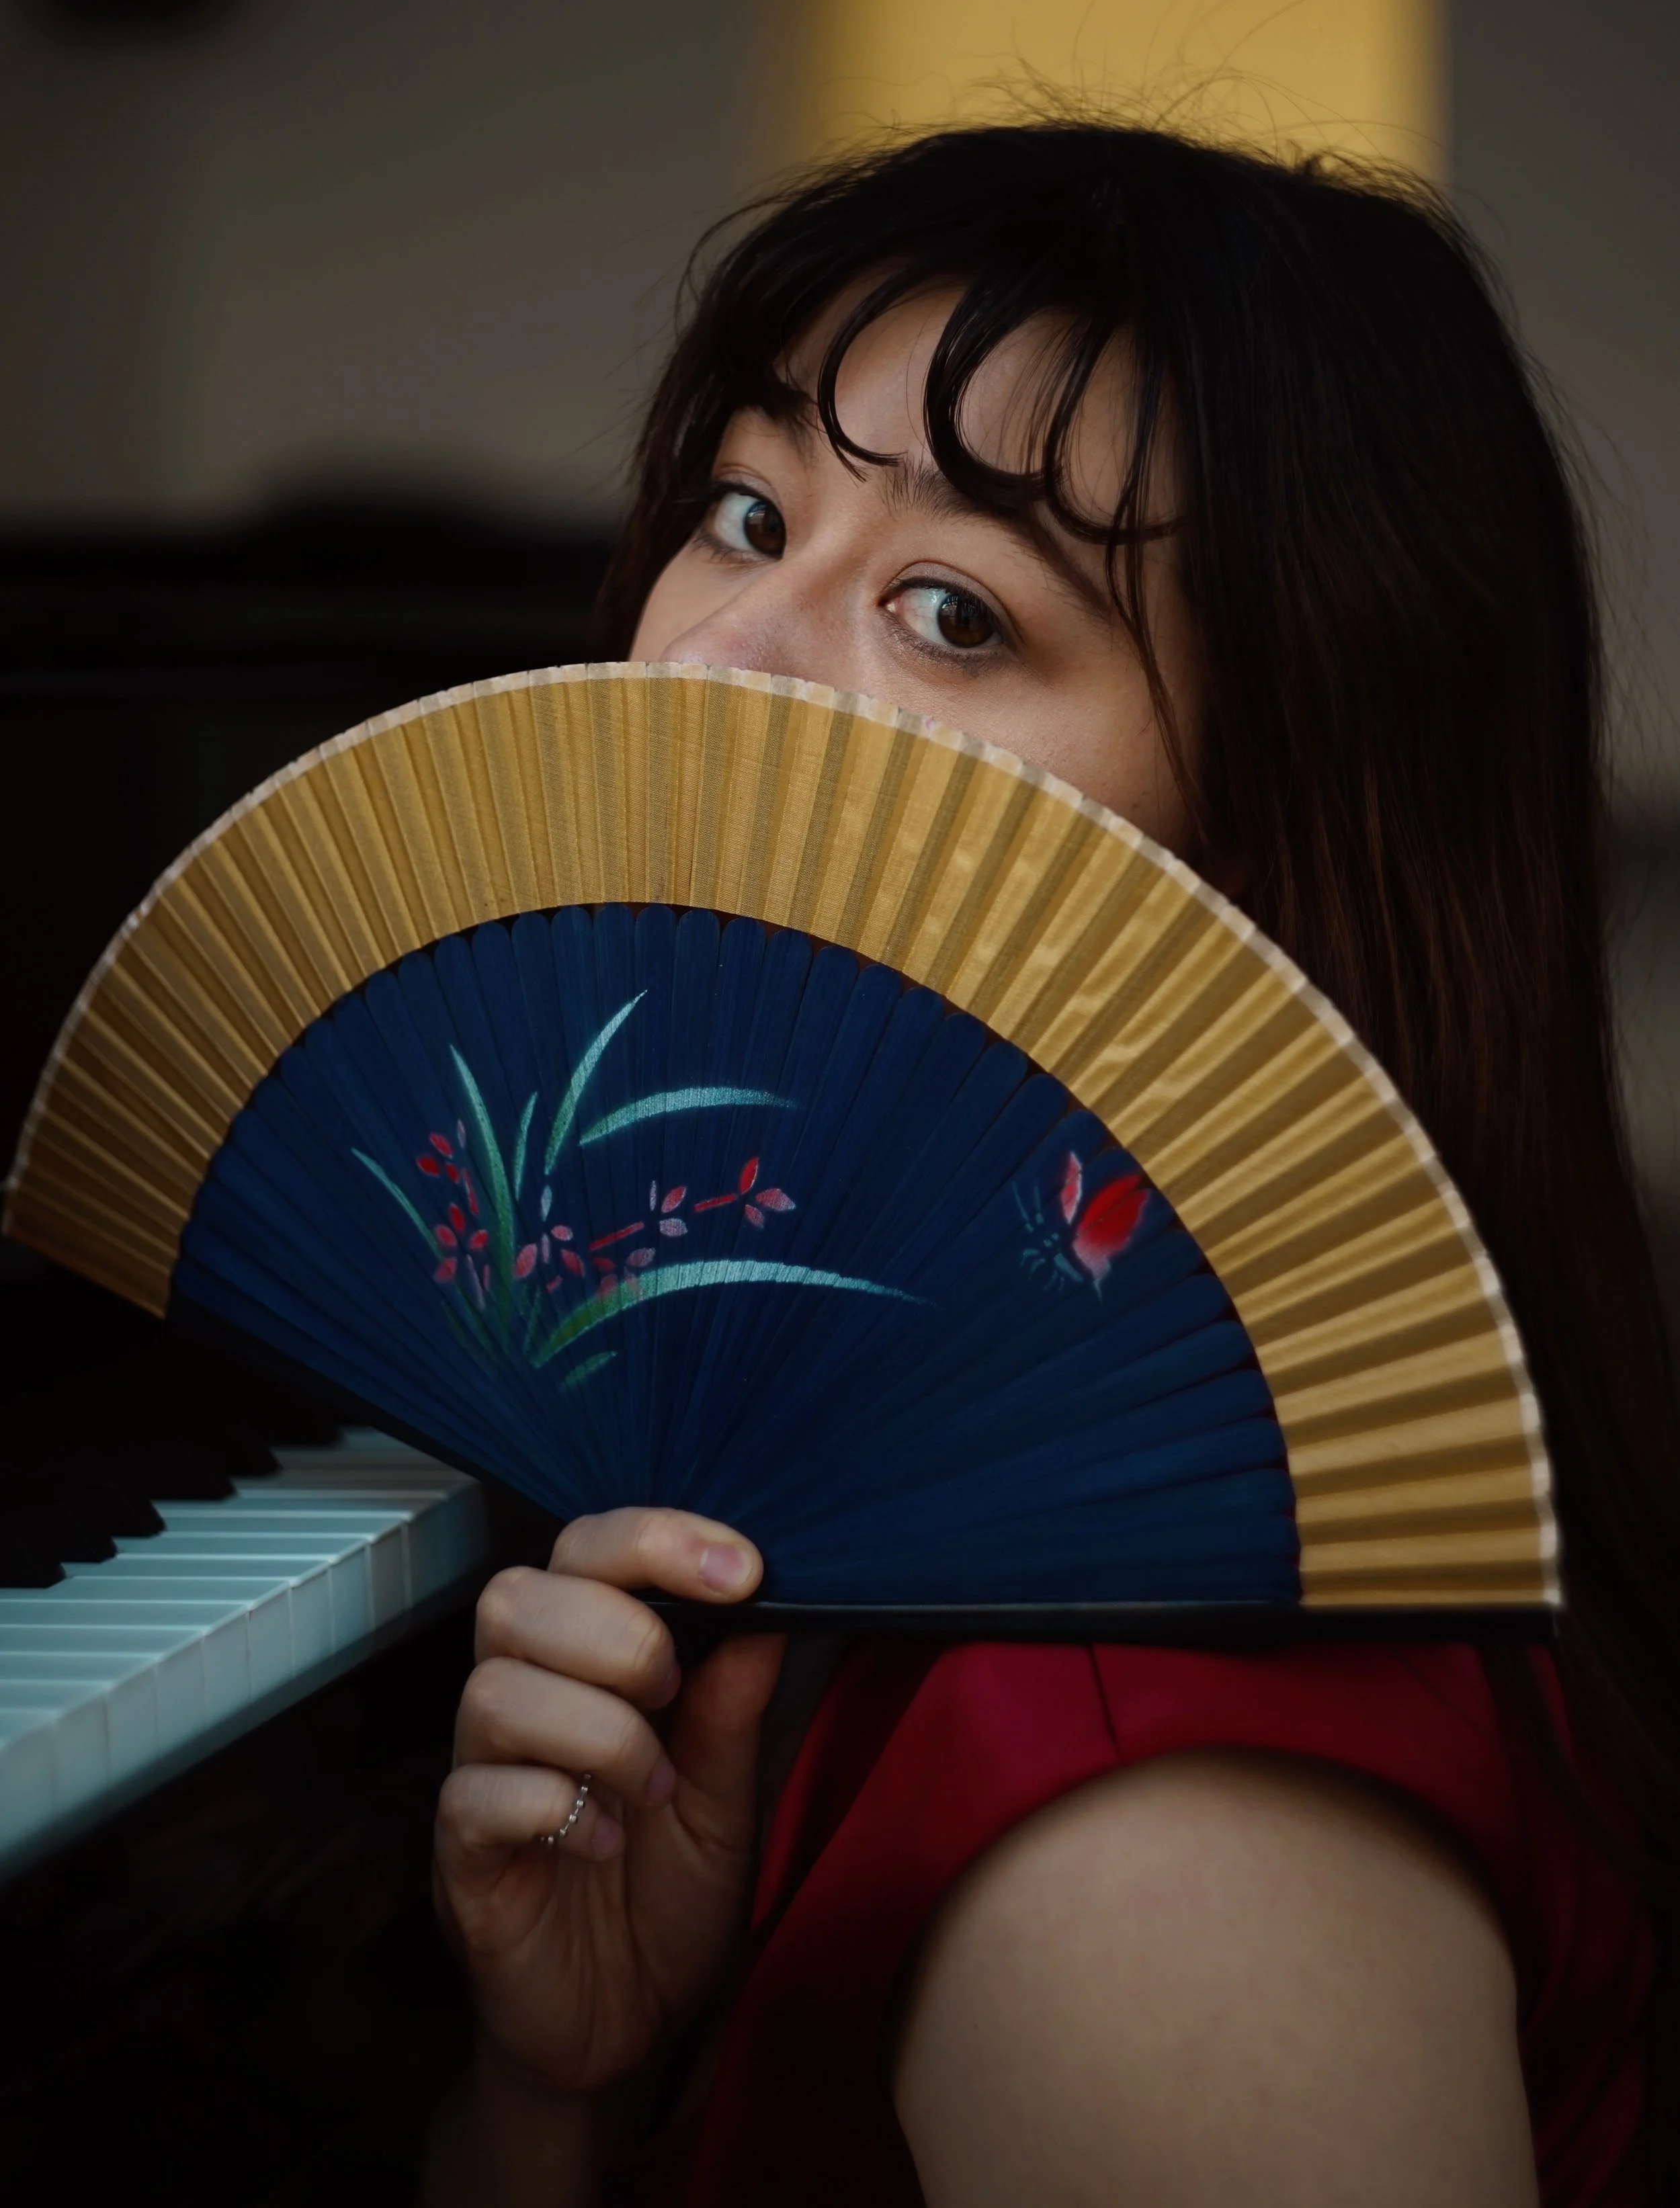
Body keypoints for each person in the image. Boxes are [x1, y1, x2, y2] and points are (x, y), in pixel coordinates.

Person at [421, 122, 1679, 2207]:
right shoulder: (920, 1533)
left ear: (1270, 841)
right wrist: (565, 2091)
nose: (716, 659)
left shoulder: (1159, 1818)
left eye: (952, 611)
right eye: (745, 510)